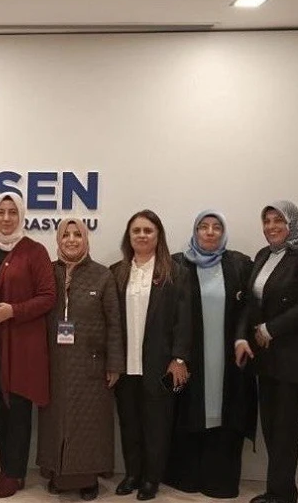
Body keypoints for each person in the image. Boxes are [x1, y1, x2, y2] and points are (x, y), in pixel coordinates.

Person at [235, 200, 298, 503]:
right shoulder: (264, 255)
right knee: (272, 427)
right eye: (267, 220)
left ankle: (283, 494)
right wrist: (242, 337)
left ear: (292, 222)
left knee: (285, 430)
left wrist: (270, 329)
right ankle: (278, 490)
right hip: (265, 357)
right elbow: (251, 302)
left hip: (292, 357)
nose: (271, 226)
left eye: (278, 220)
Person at [0, 192, 56, 499]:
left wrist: (13, 311)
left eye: (12, 212)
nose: (6, 218)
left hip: (21, 348)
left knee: (18, 412)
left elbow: (48, 296)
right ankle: (6, 468)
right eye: (1, 212)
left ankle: (16, 474)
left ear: (21, 215)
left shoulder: (35, 251)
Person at [165, 210, 256, 499]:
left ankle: (220, 480)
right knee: (189, 409)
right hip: (189, 357)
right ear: (195, 231)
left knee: (226, 411)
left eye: (216, 227)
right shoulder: (178, 264)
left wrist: (241, 336)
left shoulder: (239, 264)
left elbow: (249, 307)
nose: (210, 232)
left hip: (228, 358)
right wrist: (176, 355)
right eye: (203, 227)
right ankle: (187, 477)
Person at [37, 218, 124, 501]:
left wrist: (114, 364)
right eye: (66, 235)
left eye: (77, 235)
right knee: (55, 419)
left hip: (91, 365)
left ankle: (88, 479)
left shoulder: (102, 275)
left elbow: (114, 323)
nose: (72, 240)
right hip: (54, 363)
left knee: (89, 423)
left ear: (86, 240)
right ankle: (57, 473)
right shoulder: (47, 272)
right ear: (58, 240)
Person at [111, 209, 191, 501]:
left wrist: (179, 358)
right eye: (136, 231)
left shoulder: (175, 273)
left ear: (158, 236)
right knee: (129, 422)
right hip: (125, 364)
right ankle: (132, 474)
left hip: (159, 364)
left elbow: (184, 320)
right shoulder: (116, 272)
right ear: (129, 236)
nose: (142, 235)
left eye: (148, 230)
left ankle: (151, 479)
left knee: (157, 425)